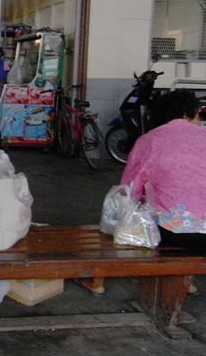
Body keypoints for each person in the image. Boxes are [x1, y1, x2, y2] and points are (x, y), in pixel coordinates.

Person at [77, 89, 206, 296]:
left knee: (129, 220)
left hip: (174, 233)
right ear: (185, 114)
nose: (199, 120)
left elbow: (129, 191)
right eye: (198, 115)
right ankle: (185, 279)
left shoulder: (150, 140)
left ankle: (97, 279)